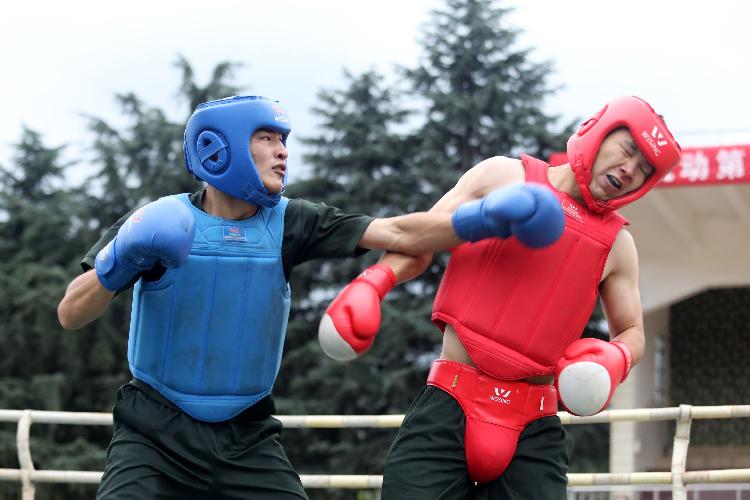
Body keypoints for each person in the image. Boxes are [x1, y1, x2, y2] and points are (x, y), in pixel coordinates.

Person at [56, 95, 564, 499]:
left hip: (246, 436)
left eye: (284, 140)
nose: (283, 151)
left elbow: (401, 234)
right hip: (153, 434)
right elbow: (71, 312)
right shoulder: (157, 220)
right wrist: (118, 258)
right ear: (220, 147)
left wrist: (486, 219)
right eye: (267, 138)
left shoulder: (291, 222)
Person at [318, 95, 682, 499]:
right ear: (598, 130)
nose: (629, 170)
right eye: (627, 151)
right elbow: (421, 239)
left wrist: (616, 358)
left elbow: (632, 330)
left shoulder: (618, 243)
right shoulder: (503, 175)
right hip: (449, 402)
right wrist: (375, 280)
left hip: (535, 427)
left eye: (644, 169)